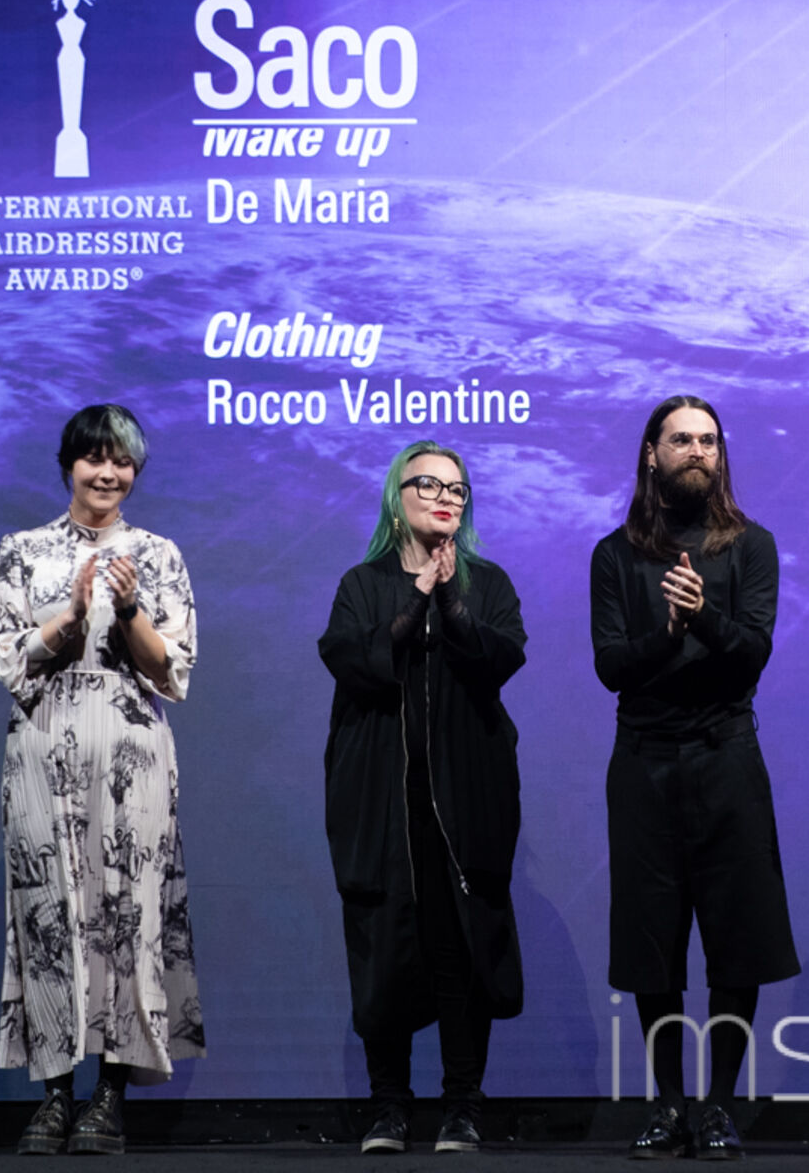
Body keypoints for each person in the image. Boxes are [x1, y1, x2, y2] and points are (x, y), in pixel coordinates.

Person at [0, 404, 203, 1156]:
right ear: (68, 464)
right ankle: (54, 1095)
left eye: (123, 462)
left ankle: (110, 1094)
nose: (108, 474)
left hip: (132, 749)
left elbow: (173, 671)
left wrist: (131, 607)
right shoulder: (21, 552)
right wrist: (74, 613)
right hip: (43, 744)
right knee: (46, 912)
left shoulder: (159, 555)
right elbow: (11, 661)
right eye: (95, 459)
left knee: (127, 913)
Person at [590, 394, 801, 1160]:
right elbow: (612, 666)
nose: (697, 452)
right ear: (652, 454)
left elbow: (753, 654)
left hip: (726, 754)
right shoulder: (615, 555)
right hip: (644, 760)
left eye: (709, 440)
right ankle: (670, 1103)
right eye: (681, 439)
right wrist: (669, 630)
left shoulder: (752, 545)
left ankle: (717, 1105)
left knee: (737, 935)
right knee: (652, 938)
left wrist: (702, 617)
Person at [318, 441, 528, 1155]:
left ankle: (463, 1106)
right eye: (430, 485)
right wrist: (417, 596)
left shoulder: (486, 582)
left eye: (457, 489)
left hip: (465, 800)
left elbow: (502, 657)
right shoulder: (363, 583)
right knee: (384, 951)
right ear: (397, 496)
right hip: (383, 799)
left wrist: (451, 600)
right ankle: (389, 1108)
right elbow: (352, 660)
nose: (446, 498)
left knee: (461, 949)